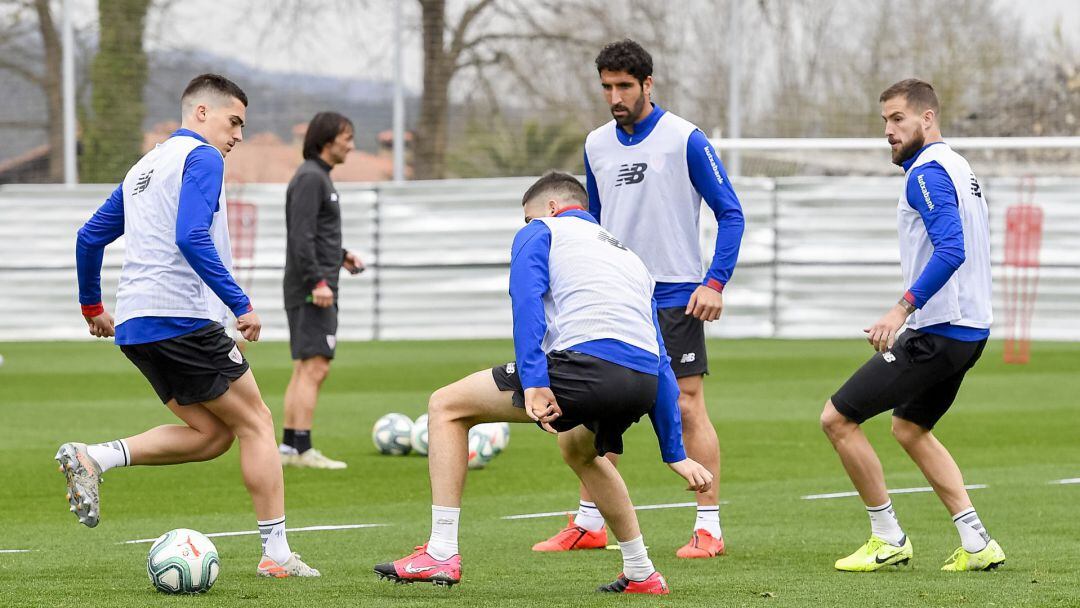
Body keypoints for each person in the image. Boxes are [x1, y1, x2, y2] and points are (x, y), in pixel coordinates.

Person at [373, 172, 713, 594]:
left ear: (551, 208)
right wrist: (674, 453)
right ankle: (641, 572)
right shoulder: (629, 257)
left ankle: (440, 552)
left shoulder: (542, 231)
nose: (526, 226)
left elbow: (527, 302)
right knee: (579, 450)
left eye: (527, 217)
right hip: (640, 381)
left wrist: (534, 382)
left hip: (587, 367)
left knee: (446, 406)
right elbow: (660, 360)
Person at [60, 73, 319, 578]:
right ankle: (277, 555)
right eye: (234, 122)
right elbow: (191, 236)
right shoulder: (203, 157)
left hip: (136, 326)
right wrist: (240, 303)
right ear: (202, 113)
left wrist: (93, 308)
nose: (238, 135)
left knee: (212, 435)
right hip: (181, 317)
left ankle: (95, 457)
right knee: (258, 423)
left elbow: (89, 237)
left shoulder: (144, 166)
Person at [533, 39, 744, 559]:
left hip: (676, 291)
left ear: (648, 84)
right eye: (606, 86)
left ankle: (709, 528)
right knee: (595, 403)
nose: (615, 97)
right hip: (614, 293)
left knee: (687, 403)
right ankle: (589, 523)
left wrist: (714, 282)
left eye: (624, 86)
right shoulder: (596, 144)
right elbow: (591, 222)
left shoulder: (685, 138)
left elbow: (731, 212)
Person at [820, 78, 1004, 572]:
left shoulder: (925, 172)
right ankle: (977, 542)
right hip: (970, 330)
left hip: (940, 331)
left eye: (898, 118)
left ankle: (888, 537)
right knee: (909, 427)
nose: (889, 130)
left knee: (836, 419)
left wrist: (901, 309)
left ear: (927, 118)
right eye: (885, 120)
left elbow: (951, 249)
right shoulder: (959, 166)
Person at [279, 111, 364, 469]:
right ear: (327, 140)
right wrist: (317, 281)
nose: (352, 145)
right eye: (347, 138)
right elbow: (301, 237)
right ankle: (302, 449)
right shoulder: (311, 178)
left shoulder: (317, 177)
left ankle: (289, 448)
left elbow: (315, 234)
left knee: (306, 366)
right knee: (315, 367)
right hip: (312, 289)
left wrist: (341, 256)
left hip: (315, 285)